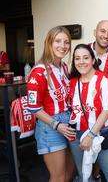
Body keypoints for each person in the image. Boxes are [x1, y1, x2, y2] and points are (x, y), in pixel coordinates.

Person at [26, 26, 75, 182]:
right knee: (58, 177)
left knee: (69, 172)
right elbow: (34, 108)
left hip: (67, 123)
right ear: (49, 43)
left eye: (66, 42)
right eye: (58, 41)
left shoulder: (64, 67)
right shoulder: (38, 72)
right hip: (50, 127)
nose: (63, 45)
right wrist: (56, 124)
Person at [68, 44, 108, 182]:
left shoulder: (105, 79)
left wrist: (91, 135)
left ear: (93, 60)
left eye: (86, 58)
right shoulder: (72, 82)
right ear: (74, 62)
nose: (81, 62)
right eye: (77, 58)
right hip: (77, 135)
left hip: (101, 133)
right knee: (84, 176)